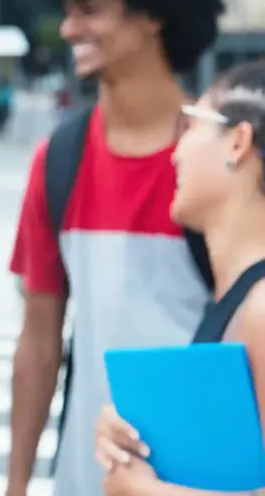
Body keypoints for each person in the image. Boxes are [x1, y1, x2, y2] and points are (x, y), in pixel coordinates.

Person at [5, 0, 232, 496]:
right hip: (83, 478)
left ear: (154, 7)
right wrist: (16, 485)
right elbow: (39, 344)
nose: (70, 27)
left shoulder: (222, 161)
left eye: (91, 8)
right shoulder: (58, 161)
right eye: (68, 6)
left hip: (201, 482)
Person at [94, 59, 265, 495]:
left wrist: (143, 491)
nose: (175, 152)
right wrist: (133, 441)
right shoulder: (235, 296)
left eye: (190, 127)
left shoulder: (261, 308)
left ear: (238, 142)